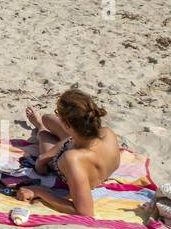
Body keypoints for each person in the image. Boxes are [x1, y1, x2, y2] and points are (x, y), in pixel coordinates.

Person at [17, 89, 121, 218]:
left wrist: (39, 191)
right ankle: (41, 123)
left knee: (44, 134)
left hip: (72, 166)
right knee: (47, 118)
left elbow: (85, 212)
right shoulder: (106, 133)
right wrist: (43, 158)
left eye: (58, 114)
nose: (57, 115)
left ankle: (40, 126)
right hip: (81, 143)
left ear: (67, 124)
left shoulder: (72, 159)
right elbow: (74, 140)